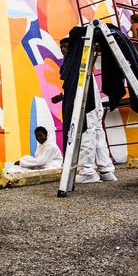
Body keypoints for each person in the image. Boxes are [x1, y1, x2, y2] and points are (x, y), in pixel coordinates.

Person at [51, 37, 117, 183]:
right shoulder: (76, 64)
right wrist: (63, 95)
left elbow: (80, 86)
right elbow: (76, 87)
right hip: (92, 103)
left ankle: (87, 171)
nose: (62, 49)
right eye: (61, 47)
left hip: (88, 104)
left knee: (87, 132)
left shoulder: (78, 64)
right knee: (97, 133)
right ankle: (106, 170)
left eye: (66, 47)